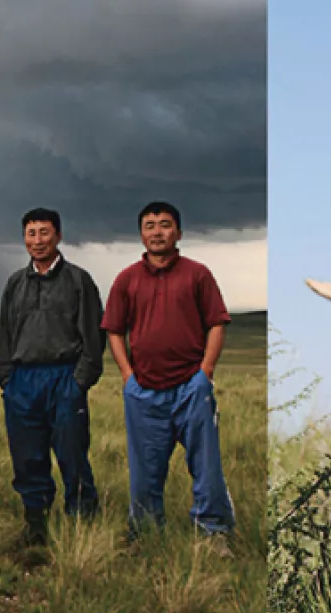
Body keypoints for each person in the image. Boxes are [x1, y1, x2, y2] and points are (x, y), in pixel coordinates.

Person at [102, 201, 236, 544]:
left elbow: (217, 323)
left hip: (191, 387)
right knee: (144, 468)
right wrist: (128, 376)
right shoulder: (126, 279)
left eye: (164, 225)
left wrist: (205, 373)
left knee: (206, 465)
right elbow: (114, 330)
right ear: (141, 234)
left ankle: (213, 532)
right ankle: (145, 533)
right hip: (143, 391)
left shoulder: (198, 274)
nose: (157, 232)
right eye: (150, 226)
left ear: (178, 232)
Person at [0, 207, 106, 546]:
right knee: (27, 456)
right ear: (24, 238)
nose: (38, 240)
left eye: (44, 232)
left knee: (72, 453)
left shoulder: (78, 280)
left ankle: (81, 525)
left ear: (58, 236)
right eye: (31, 233)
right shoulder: (15, 283)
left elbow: (94, 336)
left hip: (64, 378)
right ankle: (36, 525)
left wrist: (79, 382)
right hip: (23, 381)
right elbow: (4, 335)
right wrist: (7, 380)